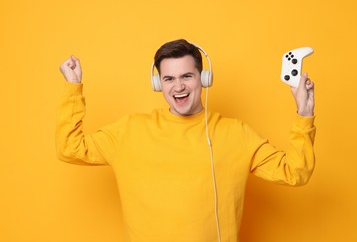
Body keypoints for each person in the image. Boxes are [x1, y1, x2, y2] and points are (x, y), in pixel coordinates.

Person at [56, 39, 316, 242]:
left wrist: (304, 114)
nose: (178, 87)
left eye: (186, 76)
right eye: (169, 78)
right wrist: (73, 88)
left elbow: (295, 172)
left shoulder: (236, 133)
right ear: (158, 83)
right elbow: (69, 148)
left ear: (203, 79)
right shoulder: (130, 130)